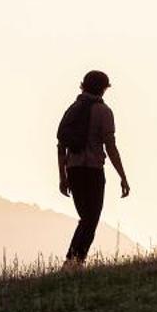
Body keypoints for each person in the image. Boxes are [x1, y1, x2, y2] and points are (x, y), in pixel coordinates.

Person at [56, 69, 129, 264]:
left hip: (73, 170)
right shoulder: (104, 112)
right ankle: (75, 261)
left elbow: (61, 144)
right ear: (103, 89)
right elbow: (110, 146)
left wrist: (62, 177)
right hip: (93, 170)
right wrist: (123, 176)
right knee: (91, 218)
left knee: (86, 218)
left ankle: (73, 261)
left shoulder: (72, 109)